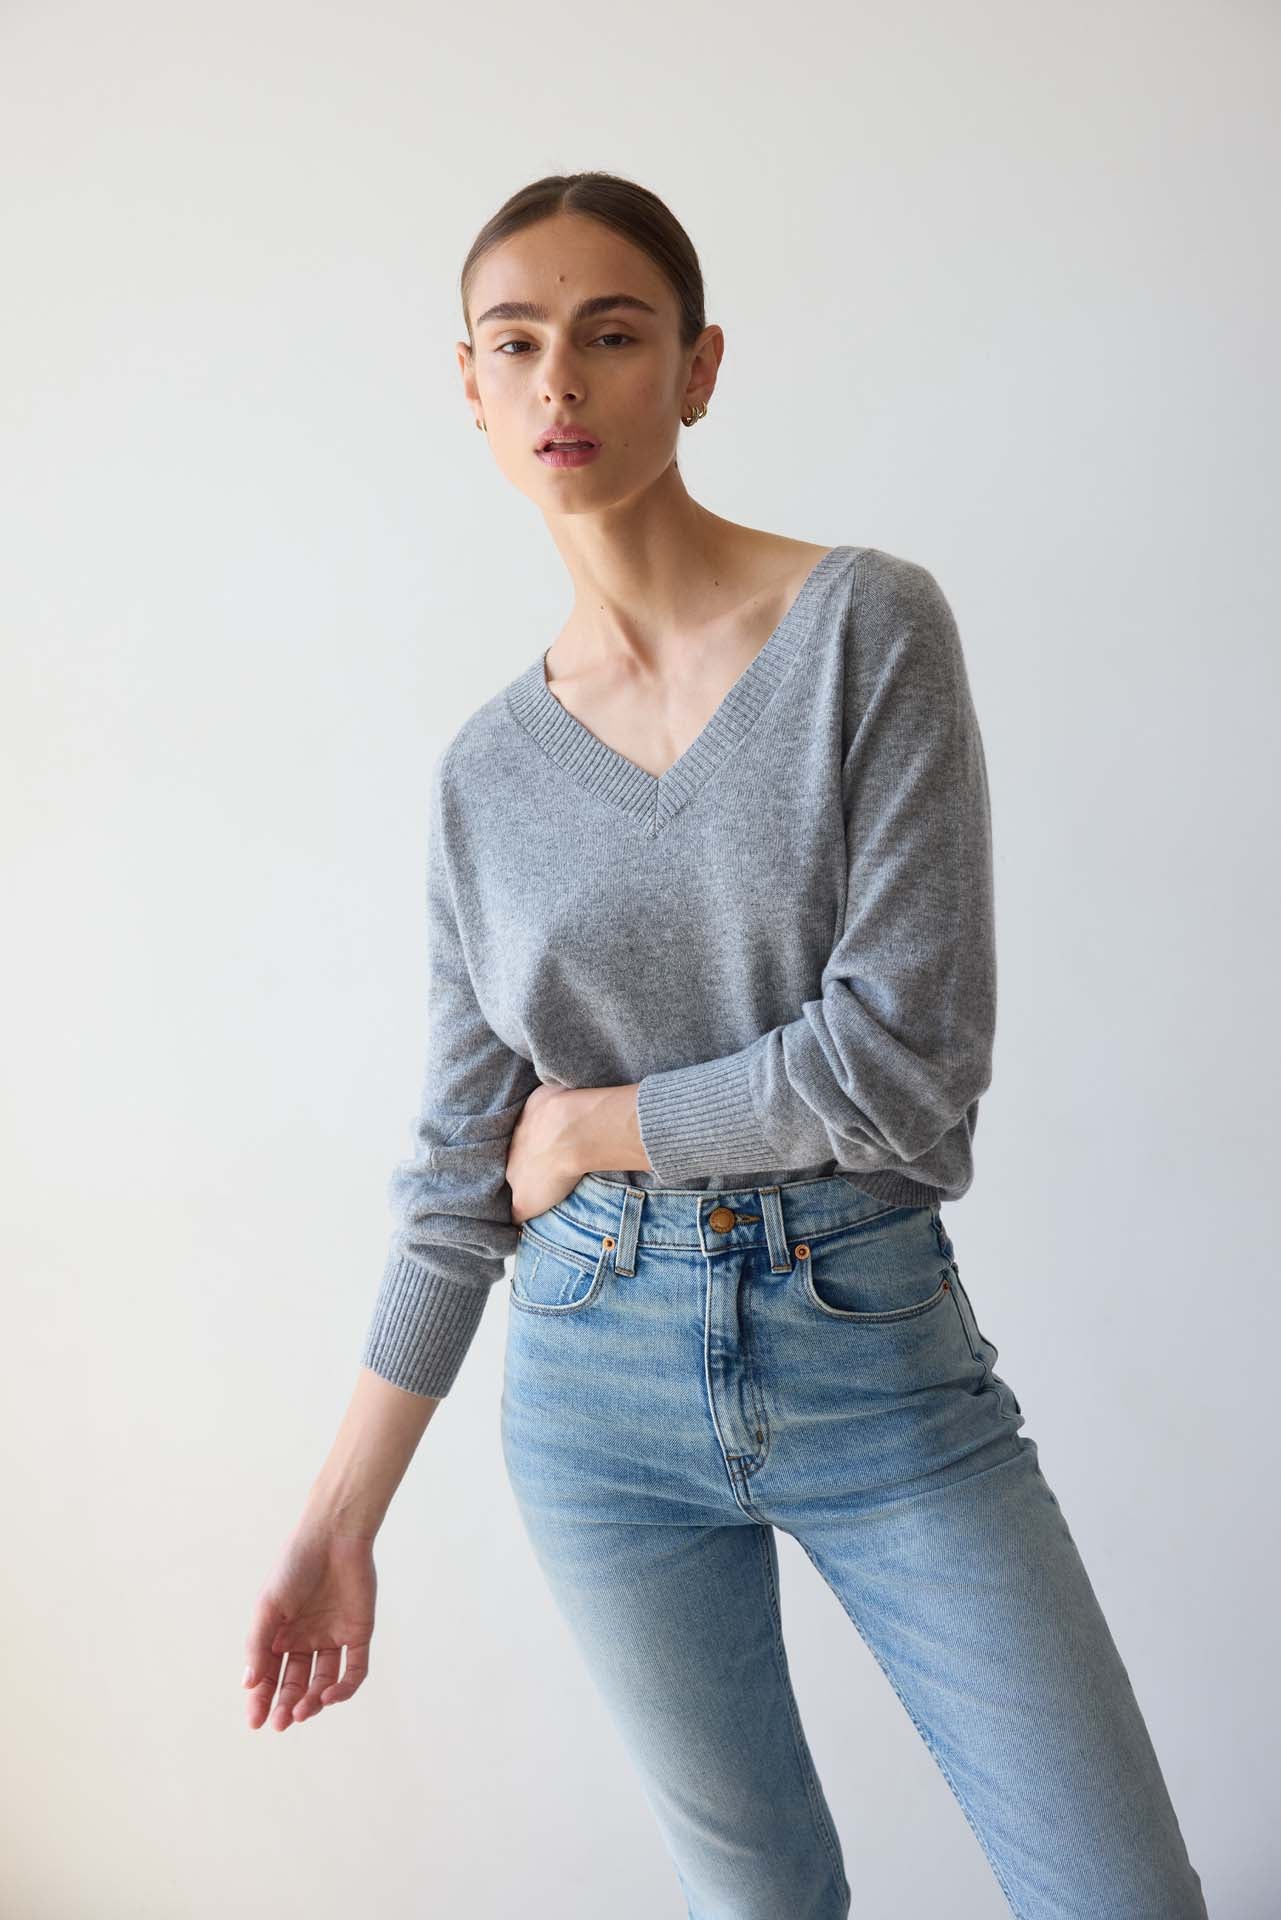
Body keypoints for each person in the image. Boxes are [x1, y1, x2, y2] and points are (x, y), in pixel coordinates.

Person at [242, 171, 1209, 1919]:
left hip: (869, 1350)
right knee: (758, 1902)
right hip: (591, 1387)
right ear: (468, 386)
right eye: (515, 345)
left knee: (1115, 1891)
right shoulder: (482, 777)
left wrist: (593, 1125)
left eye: (611, 335)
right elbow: (459, 1181)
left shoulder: (862, 629)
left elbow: (903, 1070)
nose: (560, 382)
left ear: (696, 369)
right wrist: (337, 1518)